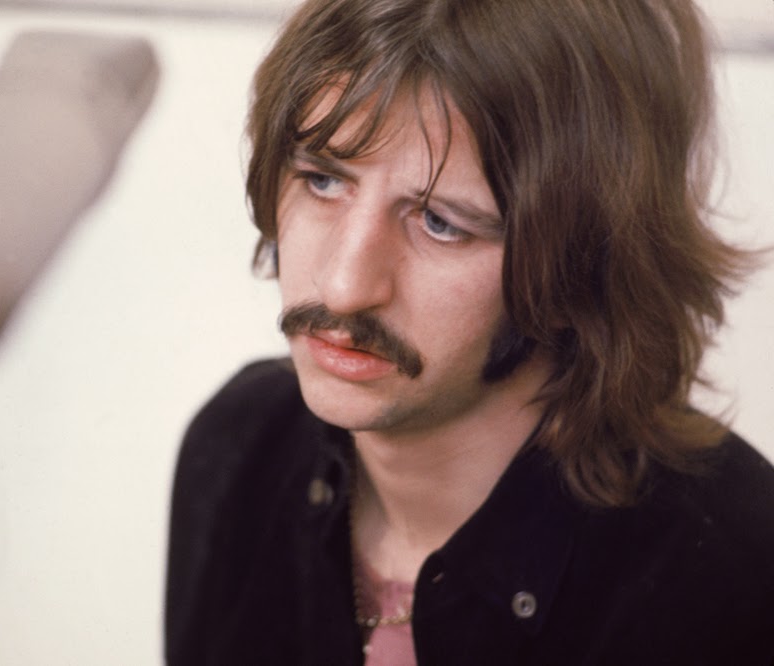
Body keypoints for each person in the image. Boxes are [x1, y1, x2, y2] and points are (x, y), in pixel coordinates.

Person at [165, 0, 774, 663]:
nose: (343, 286)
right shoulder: (240, 449)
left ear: (581, 262)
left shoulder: (731, 576)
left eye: (439, 223)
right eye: (323, 180)